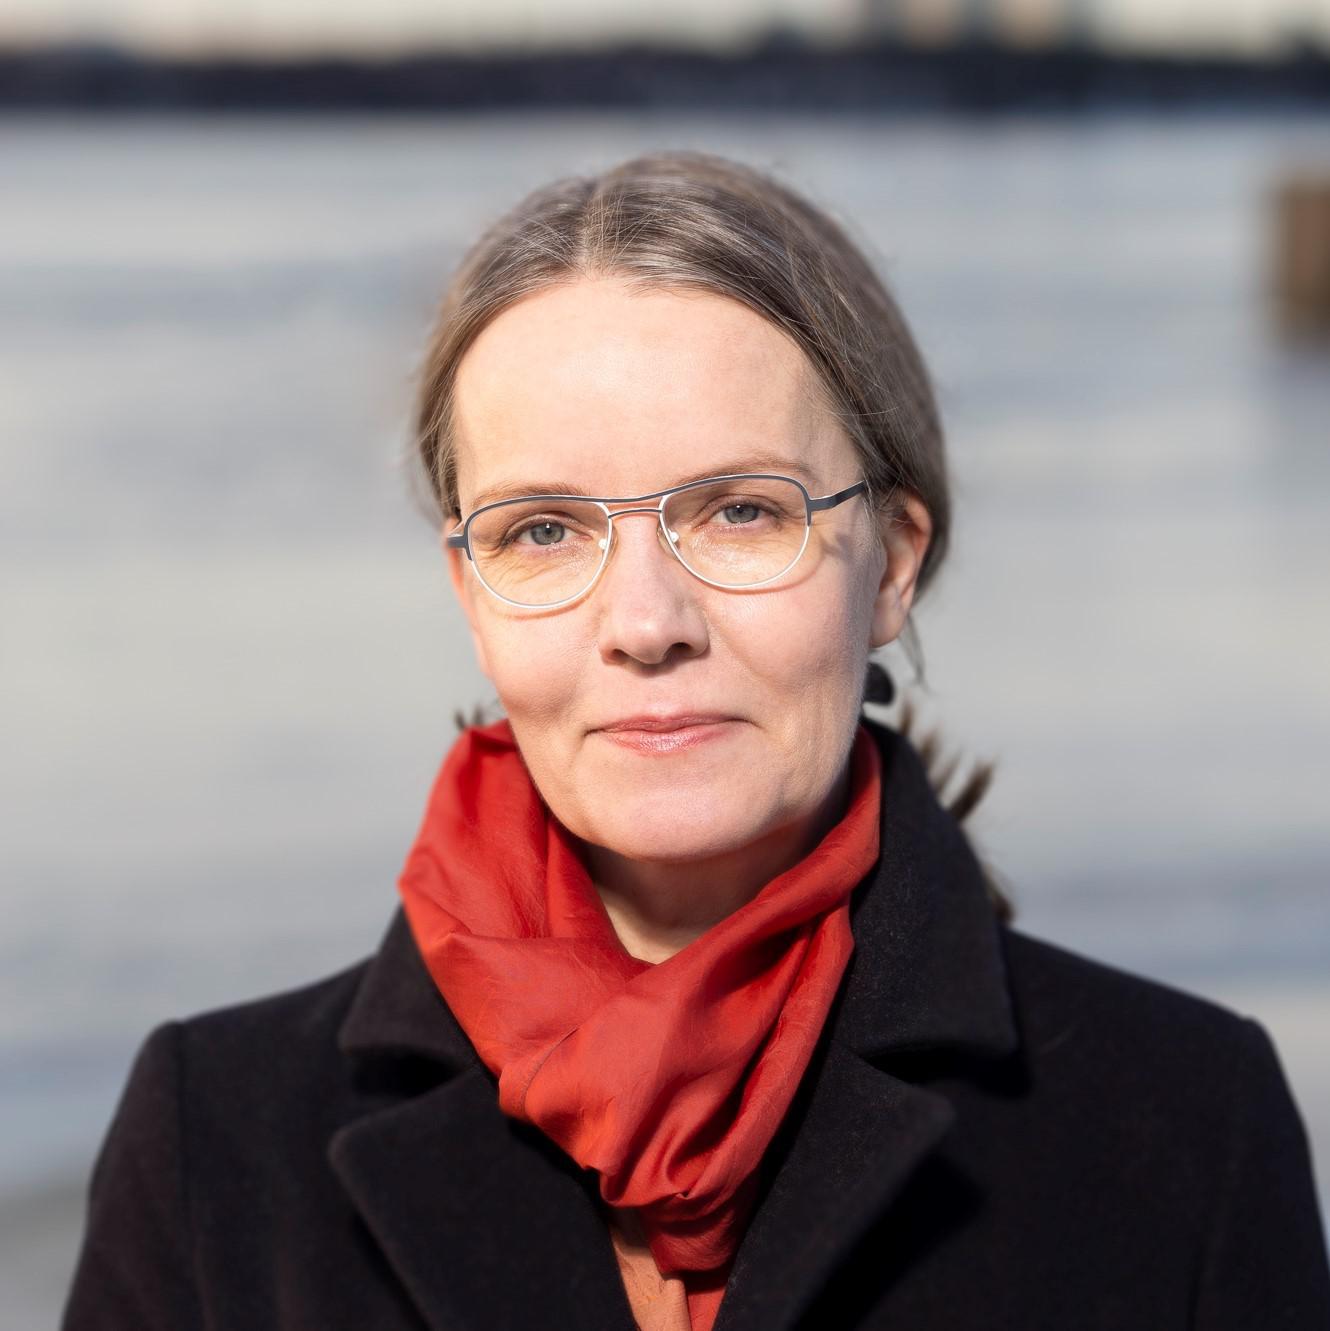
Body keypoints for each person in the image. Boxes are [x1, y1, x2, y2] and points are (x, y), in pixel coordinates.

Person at [62, 149, 1330, 1331]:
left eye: (738, 511)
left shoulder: (1181, 1125)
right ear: (470, 595)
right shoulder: (215, 1139)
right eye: (543, 530)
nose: (645, 623)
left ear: (891, 564)